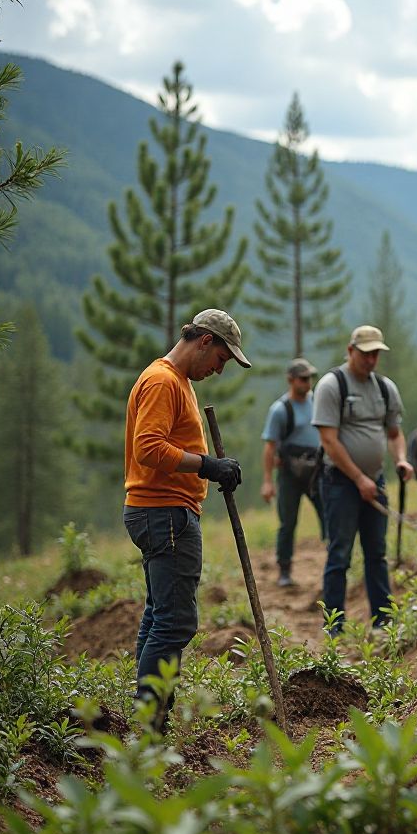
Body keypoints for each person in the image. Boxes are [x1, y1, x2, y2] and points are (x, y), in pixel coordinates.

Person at [123, 309, 249, 730]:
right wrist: (208, 466)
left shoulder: (178, 382)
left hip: (163, 512)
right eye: (221, 359)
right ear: (205, 341)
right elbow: (147, 448)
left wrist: (209, 468)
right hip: (164, 513)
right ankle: (150, 727)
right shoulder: (163, 381)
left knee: (161, 615)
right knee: (175, 622)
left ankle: (150, 719)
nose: (219, 369)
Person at [311, 325, 413, 632]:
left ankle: (383, 621)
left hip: (374, 481)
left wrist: (401, 459)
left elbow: (394, 433)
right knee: (339, 554)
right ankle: (334, 626)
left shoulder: (385, 388)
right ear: (351, 350)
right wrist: (358, 479)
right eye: (366, 353)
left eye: (375, 354)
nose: (371, 360)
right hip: (340, 482)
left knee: (376, 553)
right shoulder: (332, 385)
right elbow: (329, 441)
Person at [260, 357, 325, 587]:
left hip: (316, 472)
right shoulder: (280, 410)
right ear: (291, 380)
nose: (308, 383)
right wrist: (268, 481)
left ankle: (334, 564)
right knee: (287, 523)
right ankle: (284, 569)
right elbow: (270, 447)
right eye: (303, 378)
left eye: (310, 378)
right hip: (289, 474)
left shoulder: (318, 402)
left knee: (329, 515)